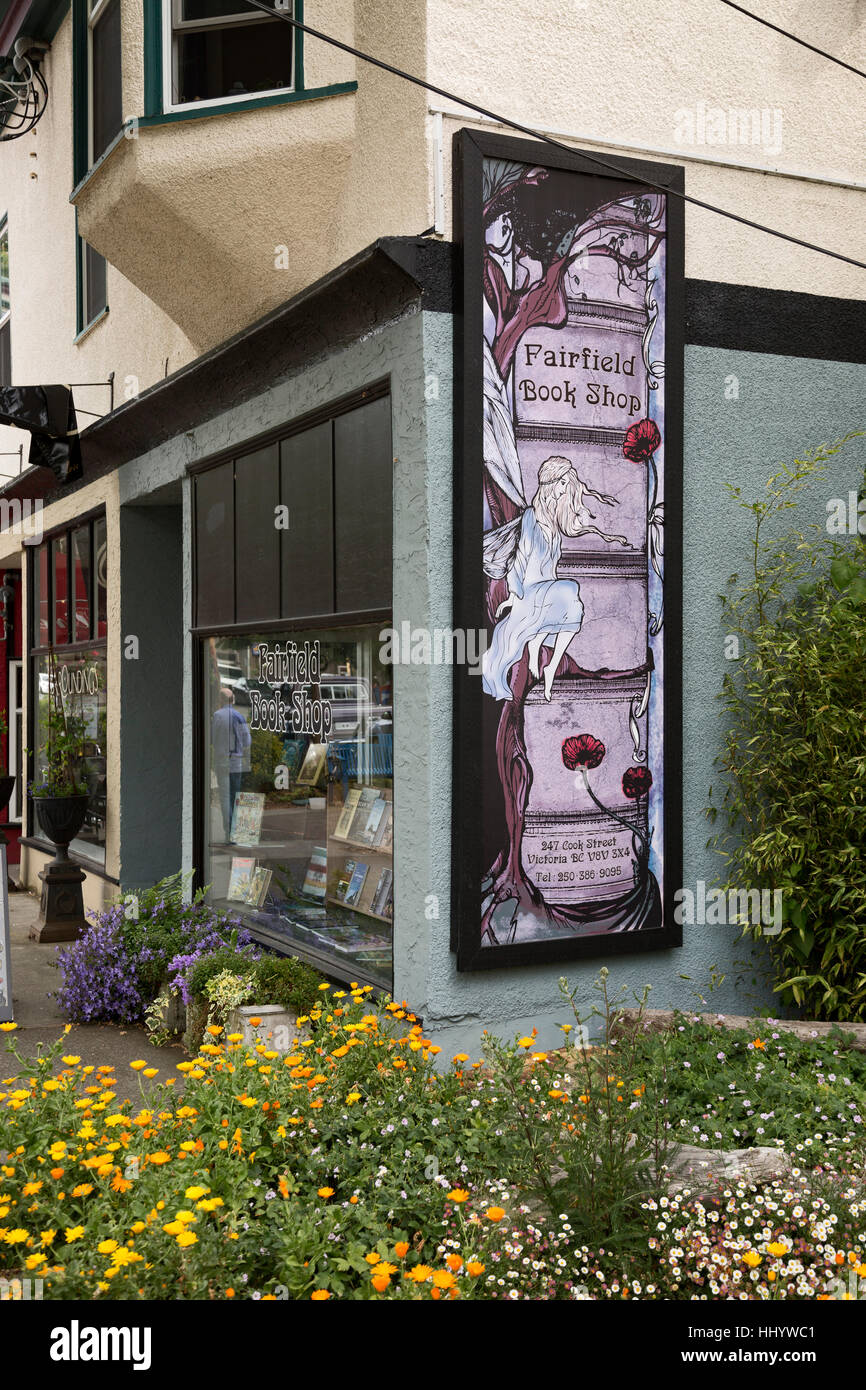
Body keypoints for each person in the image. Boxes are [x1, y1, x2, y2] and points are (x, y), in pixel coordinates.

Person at [482, 455, 629, 702]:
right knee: (571, 591)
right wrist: (513, 597)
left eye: (566, 483)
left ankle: (550, 666)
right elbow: (520, 560)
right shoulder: (531, 517)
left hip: (545, 591)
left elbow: (550, 570)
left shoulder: (554, 527)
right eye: (562, 482)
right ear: (551, 482)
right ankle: (536, 643)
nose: (564, 489)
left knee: (572, 604)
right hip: (528, 592)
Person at [211, 686, 251, 841]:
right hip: (236, 763)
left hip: (222, 761)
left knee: (225, 797)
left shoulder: (217, 716)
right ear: (232, 700)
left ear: (221, 700)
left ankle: (228, 833)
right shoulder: (239, 716)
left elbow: (212, 739)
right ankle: (237, 832)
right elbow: (247, 741)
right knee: (236, 797)